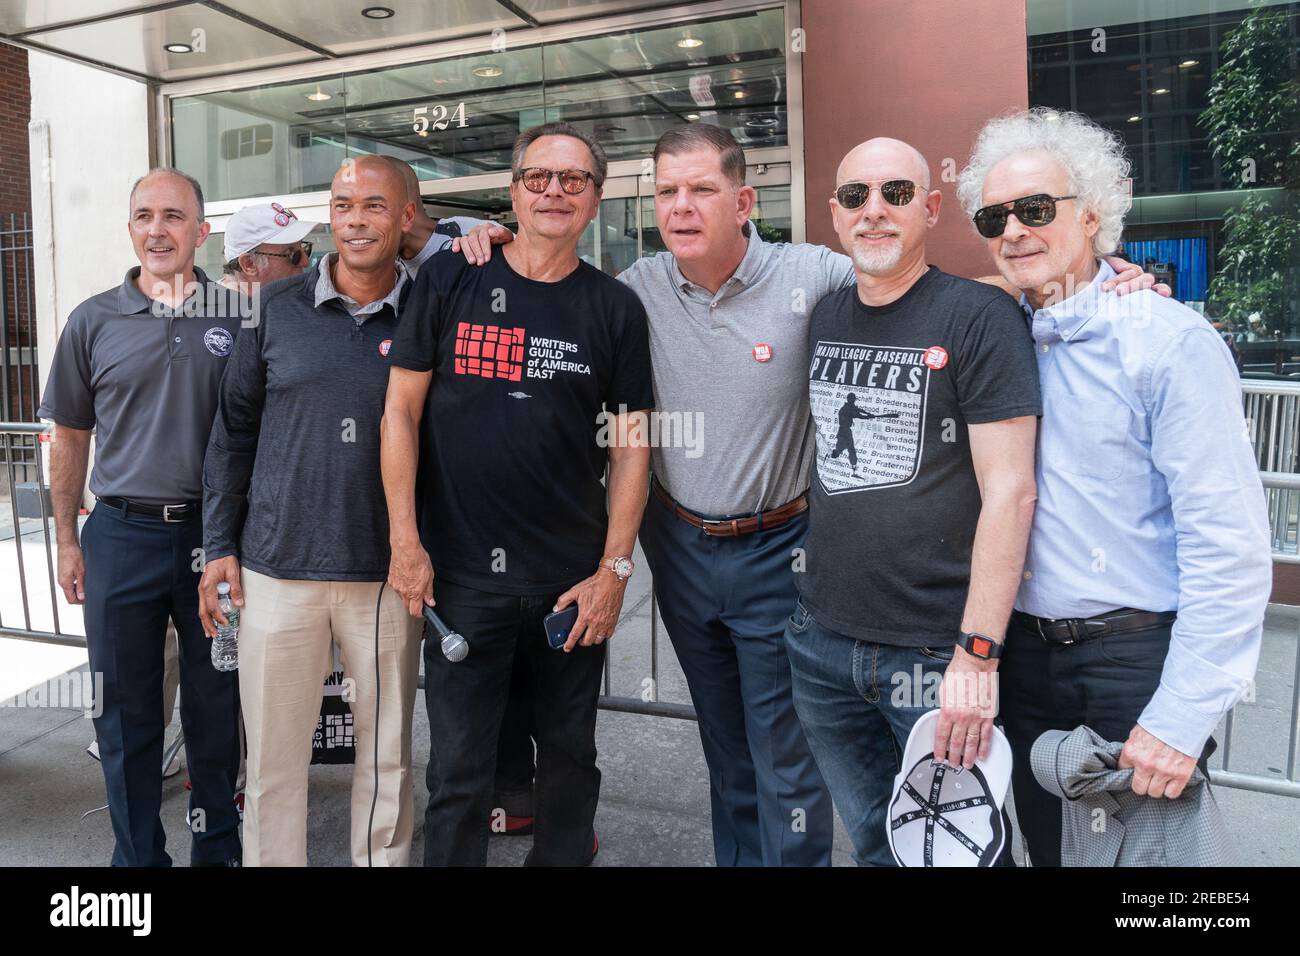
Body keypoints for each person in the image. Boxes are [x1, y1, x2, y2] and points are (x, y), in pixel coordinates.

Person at [956, 108, 1273, 866]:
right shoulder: (995, 332)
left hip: (1134, 661)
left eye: (1036, 209)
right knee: (1052, 853)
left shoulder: (1168, 342)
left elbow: (1227, 545)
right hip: (1023, 660)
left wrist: (1182, 714)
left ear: (1094, 215)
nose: (1014, 230)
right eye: (994, 216)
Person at [199, 154, 497, 866]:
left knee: (385, 761)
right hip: (276, 571)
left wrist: (492, 237)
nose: (355, 220)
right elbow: (232, 432)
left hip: (387, 574)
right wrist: (219, 547)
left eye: (372, 205)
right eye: (341, 206)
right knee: (272, 762)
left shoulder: (438, 305)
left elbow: (512, 250)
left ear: (405, 219)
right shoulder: (275, 308)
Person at [381, 121, 654, 867]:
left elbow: (633, 451)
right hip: (462, 575)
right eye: (539, 177)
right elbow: (399, 413)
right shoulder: (451, 278)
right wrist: (406, 544)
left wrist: (614, 570)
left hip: (570, 584)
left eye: (573, 180)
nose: (554, 191)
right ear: (513, 193)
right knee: (460, 773)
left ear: (595, 200)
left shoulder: (615, 309)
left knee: (570, 764)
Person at [783, 137, 1042, 867]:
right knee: (874, 842)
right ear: (833, 214)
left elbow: (1011, 492)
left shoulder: (979, 318)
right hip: (820, 642)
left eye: (896, 194)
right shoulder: (826, 315)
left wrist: (978, 656)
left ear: (929, 209)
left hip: (935, 656)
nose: (875, 211)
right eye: (857, 196)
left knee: (954, 855)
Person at [39, 167, 244, 867]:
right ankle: (137, 863)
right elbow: (68, 436)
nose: (158, 229)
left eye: (174, 216)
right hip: (120, 535)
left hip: (214, 542)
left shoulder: (240, 314)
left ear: (201, 230)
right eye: (144, 216)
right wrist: (67, 537)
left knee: (217, 710)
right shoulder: (91, 320)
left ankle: (216, 853)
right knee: (123, 716)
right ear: (130, 227)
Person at [217, 201, 318, 294]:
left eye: (305, 249)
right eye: (293, 255)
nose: (305, 262)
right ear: (249, 264)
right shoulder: (218, 311)